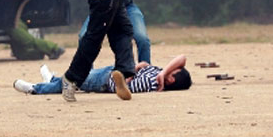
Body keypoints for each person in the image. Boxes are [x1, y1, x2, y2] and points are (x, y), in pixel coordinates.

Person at [13, 54, 191, 98]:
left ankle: (36, 89)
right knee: (80, 74)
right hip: (110, 70)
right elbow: (181, 58)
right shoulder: (160, 74)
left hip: (105, 81)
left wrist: (136, 69)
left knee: (74, 80)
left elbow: (125, 82)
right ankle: (52, 80)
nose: (170, 68)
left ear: (171, 79)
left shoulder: (153, 83)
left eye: (172, 72)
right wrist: (163, 71)